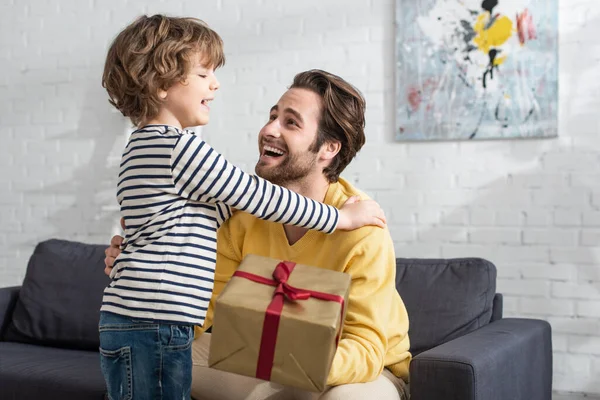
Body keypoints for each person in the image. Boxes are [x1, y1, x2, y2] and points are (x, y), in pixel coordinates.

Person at [100, 15, 386, 400]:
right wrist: (140, 256)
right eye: (272, 116)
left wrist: (138, 257)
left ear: (329, 148)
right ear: (164, 84)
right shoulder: (227, 194)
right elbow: (208, 302)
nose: (269, 129)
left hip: (348, 367)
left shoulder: (362, 227)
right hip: (169, 327)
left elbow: (367, 345)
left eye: (290, 122)